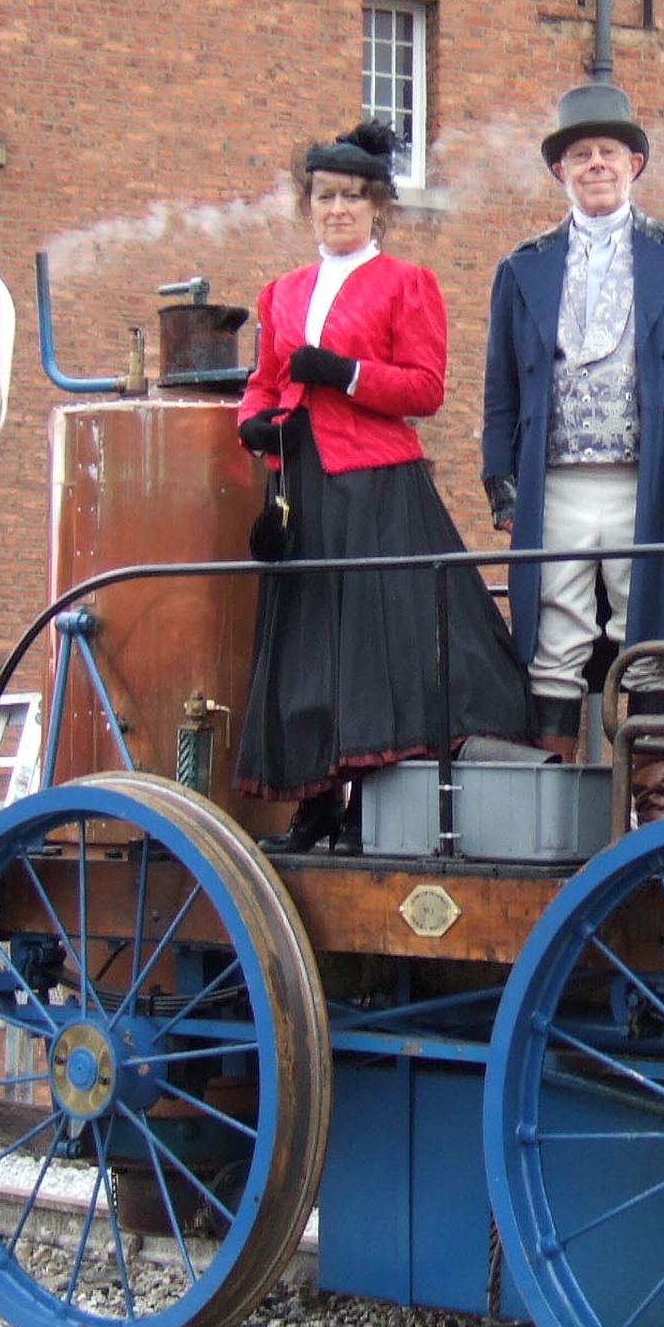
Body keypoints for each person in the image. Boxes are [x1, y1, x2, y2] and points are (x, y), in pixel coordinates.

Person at [234, 119, 531, 852]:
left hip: (375, 483)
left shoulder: (408, 284)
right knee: (310, 649)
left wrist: (344, 375)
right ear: (309, 205)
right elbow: (265, 381)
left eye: (353, 198)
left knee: (377, 649)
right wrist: (255, 422)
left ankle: (373, 804)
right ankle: (316, 803)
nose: (337, 210)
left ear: (377, 209)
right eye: (325, 197)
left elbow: (425, 388)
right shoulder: (281, 293)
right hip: (301, 484)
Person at [480, 83, 664, 824]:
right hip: (552, 484)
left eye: (609, 153)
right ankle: (555, 815)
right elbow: (498, 390)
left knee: (649, 638)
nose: (595, 165)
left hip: (644, 487)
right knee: (553, 639)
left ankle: (657, 813)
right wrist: (503, 488)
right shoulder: (520, 268)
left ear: (635, 164)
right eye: (580, 155)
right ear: (560, 170)